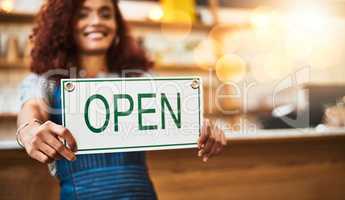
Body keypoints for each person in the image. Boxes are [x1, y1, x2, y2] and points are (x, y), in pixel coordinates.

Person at [16, 0, 227, 199]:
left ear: (116, 26)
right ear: (65, 25)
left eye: (105, 14)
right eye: (83, 14)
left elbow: (178, 117)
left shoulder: (140, 79)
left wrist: (203, 131)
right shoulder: (45, 81)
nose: (96, 21)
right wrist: (29, 130)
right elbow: (32, 108)